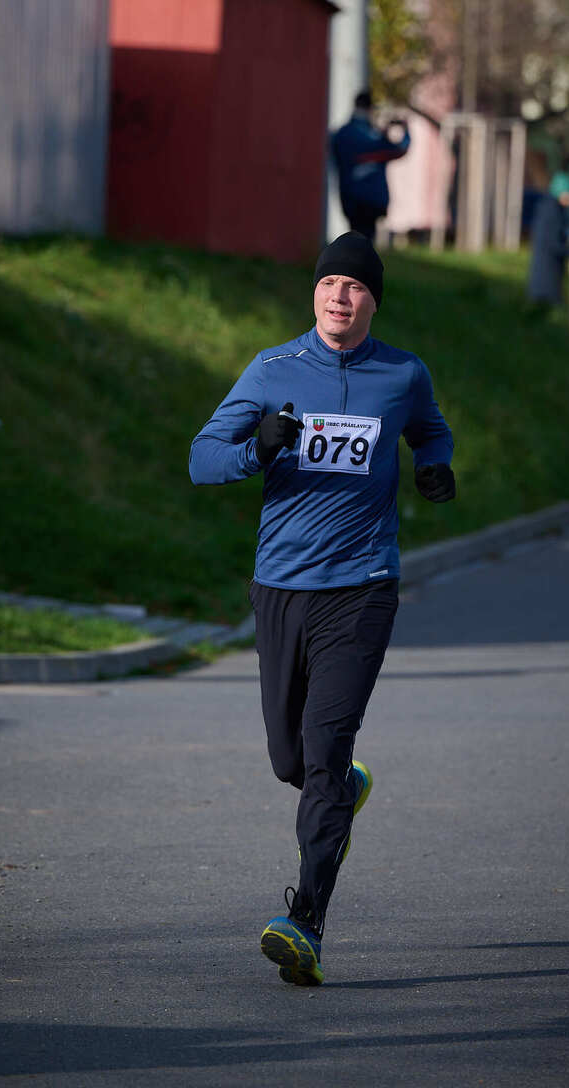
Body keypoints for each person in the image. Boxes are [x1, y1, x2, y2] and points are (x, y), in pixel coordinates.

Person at [189, 230, 455, 987]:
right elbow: (203, 458)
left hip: (363, 587)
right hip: (281, 585)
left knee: (326, 748)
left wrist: (434, 467)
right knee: (292, 760)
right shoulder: (271, 369)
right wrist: (258, 447)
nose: (341, 295)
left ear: (374, 301)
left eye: (356, 285)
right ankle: (340, 785)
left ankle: (304, 921)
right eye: (329, 282)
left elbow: (430, 430)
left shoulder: (403, 374)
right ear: (314, 293)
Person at [331, 89, 411, 240]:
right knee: (365, 243)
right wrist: (405, 129)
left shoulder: (342, 134)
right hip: (371, 199)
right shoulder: (373, 135)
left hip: (349, 197)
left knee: (355, 239)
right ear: (370, 109)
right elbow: (401, 149)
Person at [525, 172, 569, 311]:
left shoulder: (549, 208)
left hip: (545, 269)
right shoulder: (553, 211)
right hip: (548, 272)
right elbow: (554, 242)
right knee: (548, 309)